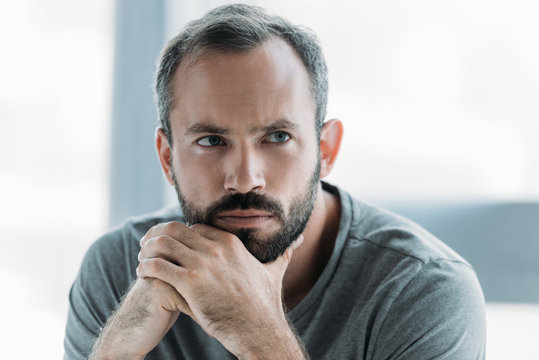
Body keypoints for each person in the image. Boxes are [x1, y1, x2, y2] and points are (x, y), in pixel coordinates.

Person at [64, 4, 486, 359]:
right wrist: (117, 349)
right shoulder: (120, 269)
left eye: (277, 137)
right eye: (212, 140)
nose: (245, 179)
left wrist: (258, 333)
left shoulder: (424, 291)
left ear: (326, 150)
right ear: (167, 156)